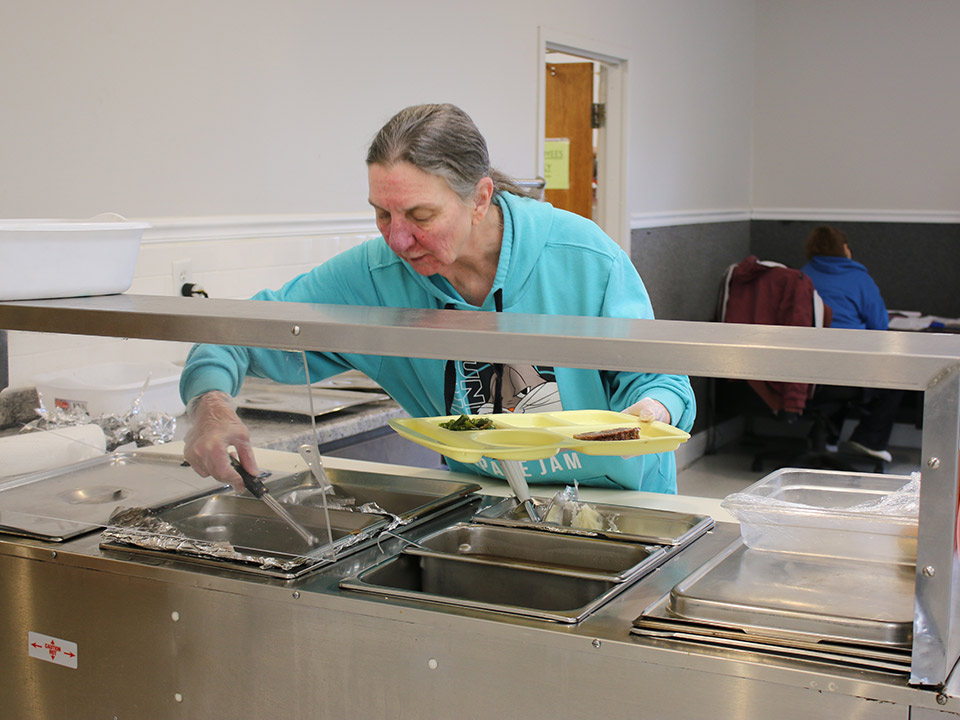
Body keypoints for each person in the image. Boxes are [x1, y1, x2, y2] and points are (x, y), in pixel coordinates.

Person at [180, 103, 696, 493]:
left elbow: (661, 380)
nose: (397, 240)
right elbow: (235, 330)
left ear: (481, 198)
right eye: (383, 214)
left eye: (421, 218)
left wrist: (650, 412)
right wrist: (210, 403)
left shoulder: (583, 257)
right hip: (483, 502)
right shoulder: (373, 276)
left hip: (620, 505)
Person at [801, 225, 902, 462]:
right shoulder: (859, 279)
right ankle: (869, 438)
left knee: (834, 365)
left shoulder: (802, 276)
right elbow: (880, 327)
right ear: (843, 249)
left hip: (806, 372)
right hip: (848, 371)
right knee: (899, 378)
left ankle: (828, 439)